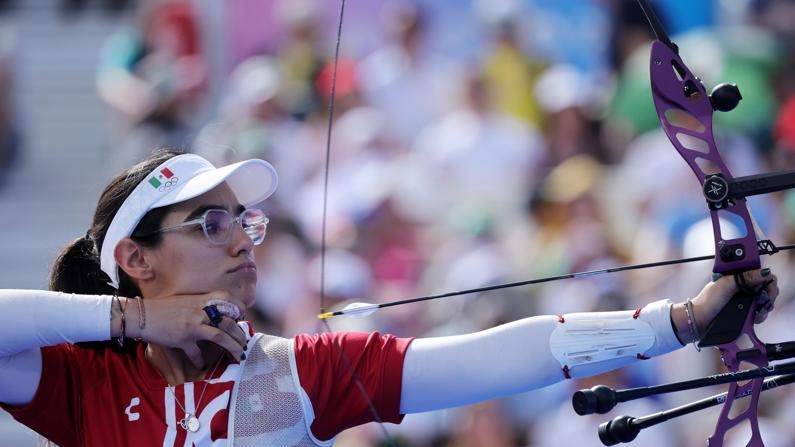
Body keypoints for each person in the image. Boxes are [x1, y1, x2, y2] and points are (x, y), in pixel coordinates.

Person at [0, 149, 779, 446]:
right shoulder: (81, 385)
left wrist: (678, 321)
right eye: (210, 223)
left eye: (245, 220)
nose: (242, 239)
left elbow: (488, 359)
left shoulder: (293, 374)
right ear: (134, 257)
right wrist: (132, 320)